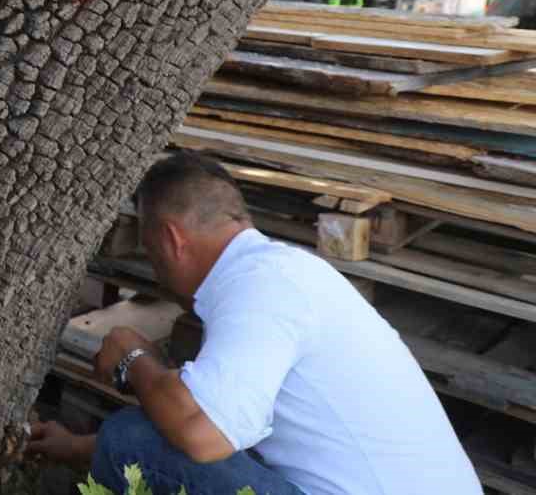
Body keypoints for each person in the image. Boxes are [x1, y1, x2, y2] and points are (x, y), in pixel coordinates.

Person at [27, 152, 479, 495]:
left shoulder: (262, 289)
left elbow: (201, 437)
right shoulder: (281, 273)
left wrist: (133, 356)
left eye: (149, 248)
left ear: (170, 240)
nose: (154, 267)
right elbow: (237, 434)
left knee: (132, 437)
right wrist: (76, 449)